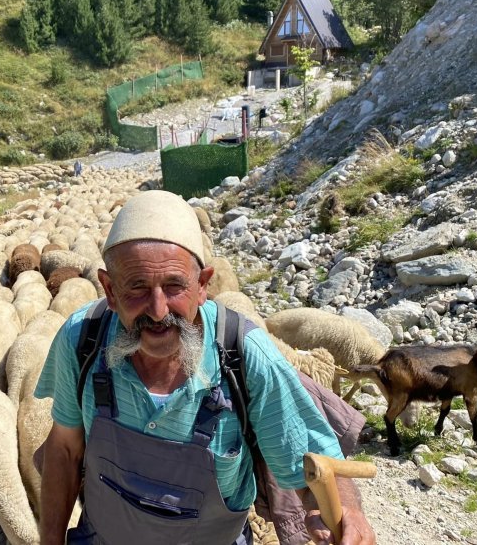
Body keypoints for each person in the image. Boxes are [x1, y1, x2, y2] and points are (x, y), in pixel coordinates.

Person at [34, 190, 375, 545]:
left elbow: (315, 466)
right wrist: (51, 539)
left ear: (202, 285)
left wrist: (348, 512)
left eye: (174, 286)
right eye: (136, 286)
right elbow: (65, 448)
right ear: (109, 289)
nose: (158, 309)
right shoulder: (82, 340)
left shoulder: (244, 355)